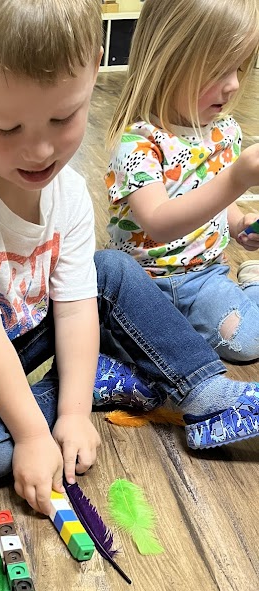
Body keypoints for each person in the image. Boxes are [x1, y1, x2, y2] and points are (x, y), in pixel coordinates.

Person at [0, 0, 259, 518]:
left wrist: (77, 414)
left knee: (116, 272)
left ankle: (203, 388)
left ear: (94, 73)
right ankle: (84, 381)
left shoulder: (69, 191)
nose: (39, 152)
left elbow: (79, 302)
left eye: (63, 118)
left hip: (28, 327)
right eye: (8, 129)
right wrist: (37, 435)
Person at [105, 0, 259, 362]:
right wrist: (238, 179)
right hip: (142, 284)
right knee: (112, 347)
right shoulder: (138, 141)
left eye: (238, 67)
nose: (234, 84)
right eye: (218, 70)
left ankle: (247, 285)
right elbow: (158, 223)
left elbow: (217, 198)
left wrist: (239, 223)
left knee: (246, 341)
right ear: (167, 61)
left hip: (203, 277)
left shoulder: (225, 132)